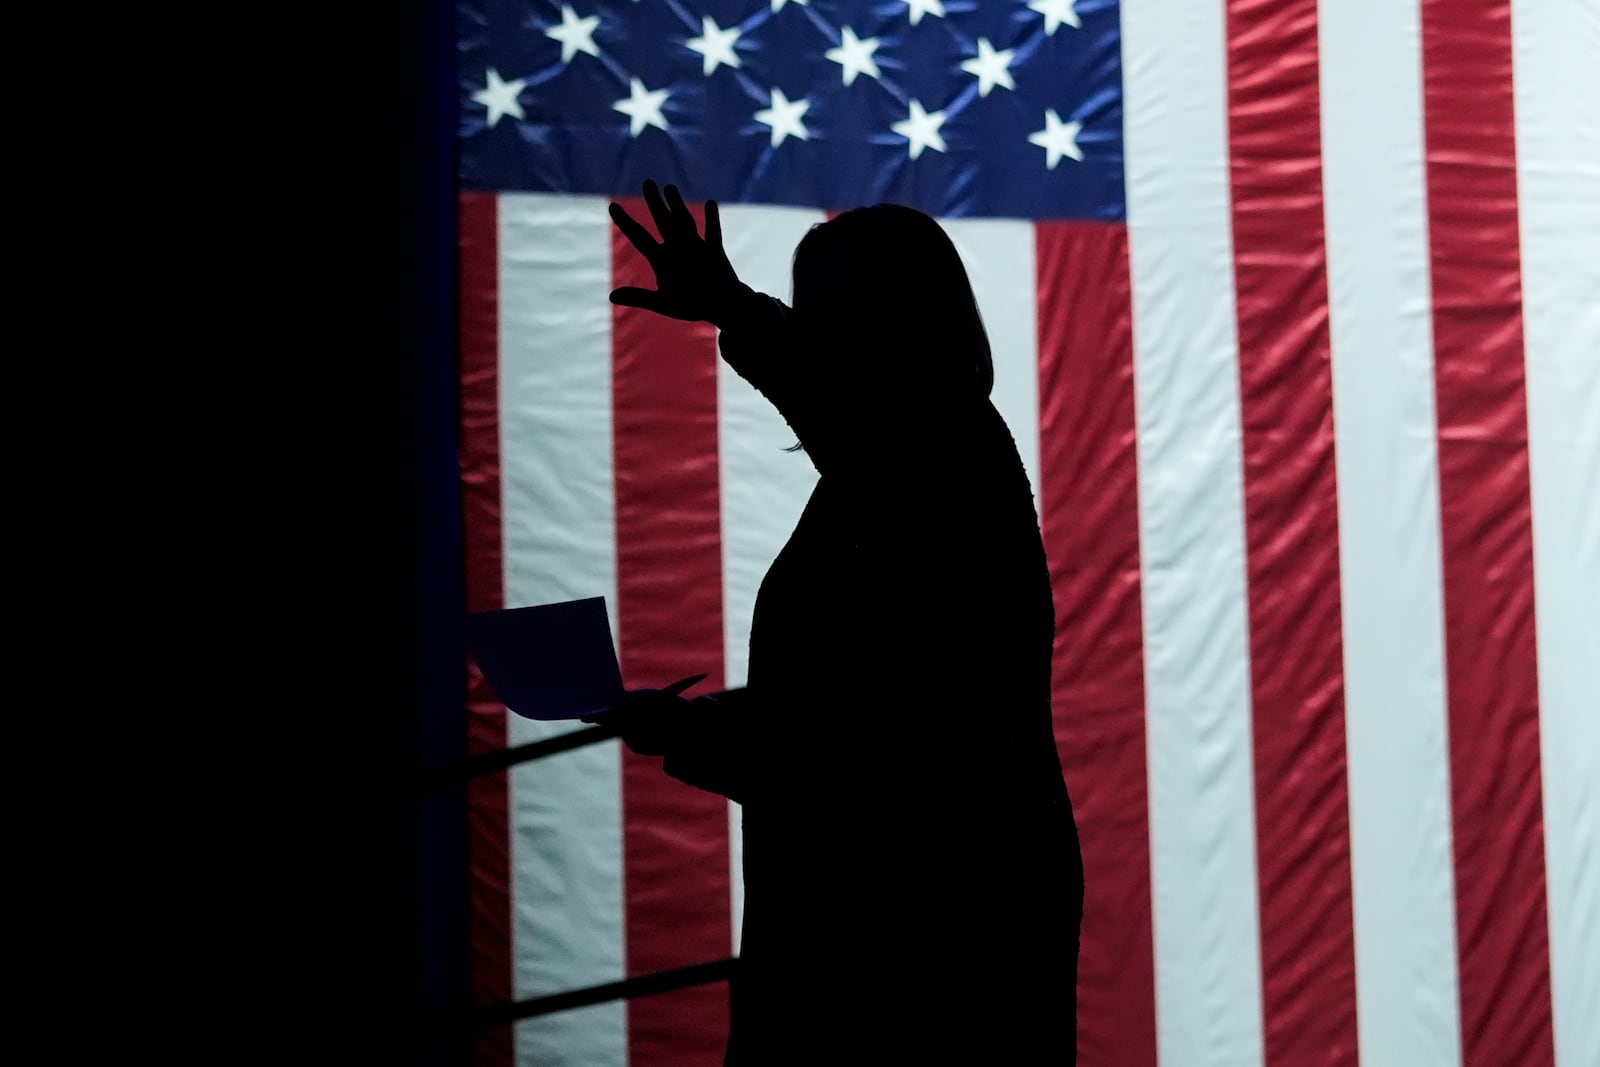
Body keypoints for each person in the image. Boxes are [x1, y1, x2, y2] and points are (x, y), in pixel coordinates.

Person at [596, 180, 1083, 1064]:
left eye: (846, 306)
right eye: (811, 306)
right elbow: (851, 706)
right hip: (887, 910)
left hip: (932, 927)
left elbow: (892, 737)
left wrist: (735, 311)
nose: (819, 327)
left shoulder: (945, 447)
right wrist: (690, 727)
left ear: (921, 320)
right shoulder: (886, 479)